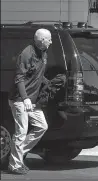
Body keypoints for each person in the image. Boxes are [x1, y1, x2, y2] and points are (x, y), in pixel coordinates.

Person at [7, 28, 52, 174]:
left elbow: (37, 75)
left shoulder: (43, 53)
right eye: (49, 39)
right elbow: (19, 78)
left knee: (42, 126)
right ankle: (14, 165)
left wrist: (49, 83)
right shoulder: (26, 54)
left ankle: (17, 156)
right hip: (19, 99)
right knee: (21, 131)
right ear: (42, 40)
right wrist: (25, 98)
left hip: (32, 100)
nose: (51, 42)